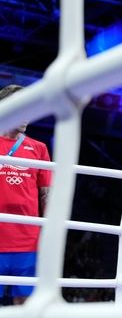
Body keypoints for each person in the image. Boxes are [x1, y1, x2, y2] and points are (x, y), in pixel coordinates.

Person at [0, 84, 52, 305]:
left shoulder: (39, 148)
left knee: (25, 303)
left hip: (28, 241)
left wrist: (50, 238)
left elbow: (46, 196)